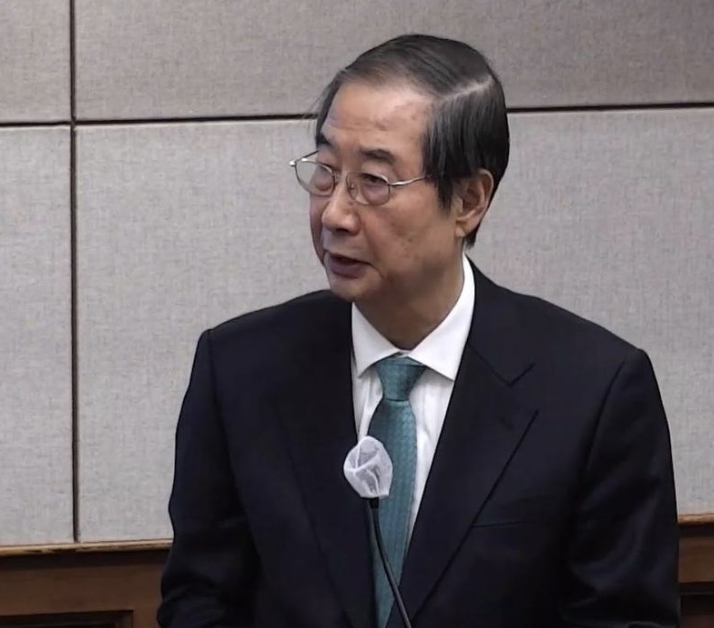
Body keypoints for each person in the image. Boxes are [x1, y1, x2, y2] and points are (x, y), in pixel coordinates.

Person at [158, 34, 679, 628]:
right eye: (326, 172)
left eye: (373, 181)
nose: (335, 214)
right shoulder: (240, 370)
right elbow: (199, 601)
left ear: (469, 201)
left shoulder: (594, 391)